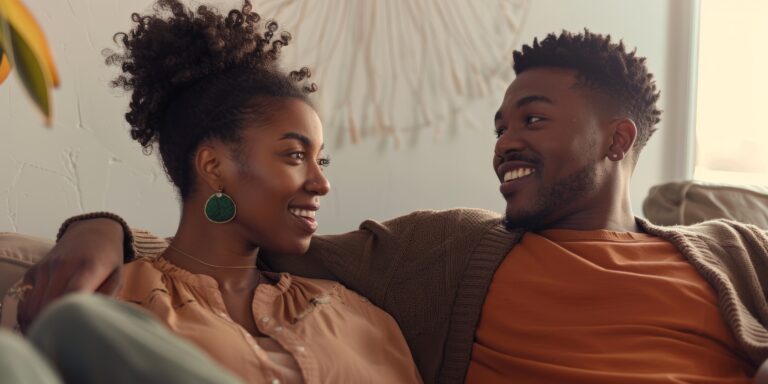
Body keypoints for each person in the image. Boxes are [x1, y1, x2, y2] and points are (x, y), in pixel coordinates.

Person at [14, 30, 768, 383]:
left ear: (618, 138)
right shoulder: (445, 253)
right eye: (499, 124)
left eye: (531, 120)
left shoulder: (737, 252)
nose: (504, 142)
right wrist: (98, 229)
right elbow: (223, 249)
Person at [0, 1, 422, 383]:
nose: (321, 182)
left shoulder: (355, 317)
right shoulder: (114, 298)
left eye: (321, 161)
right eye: (295, 155)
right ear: (213, 167)